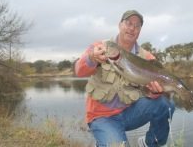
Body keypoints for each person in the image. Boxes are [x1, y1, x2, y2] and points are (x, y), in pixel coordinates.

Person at [75, 10, 175, 147]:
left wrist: (155, 93)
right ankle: (106, 138)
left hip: (131, 113)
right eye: (128, 23)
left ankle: (150, 143)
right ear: (120, 25)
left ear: (140, 30)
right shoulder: (101, 47)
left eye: (137, 26)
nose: (132, 28)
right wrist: (92, 58)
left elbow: (149, 92)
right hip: (102, 117)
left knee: (166, 104)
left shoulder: (147, 58)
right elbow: (79, 71)